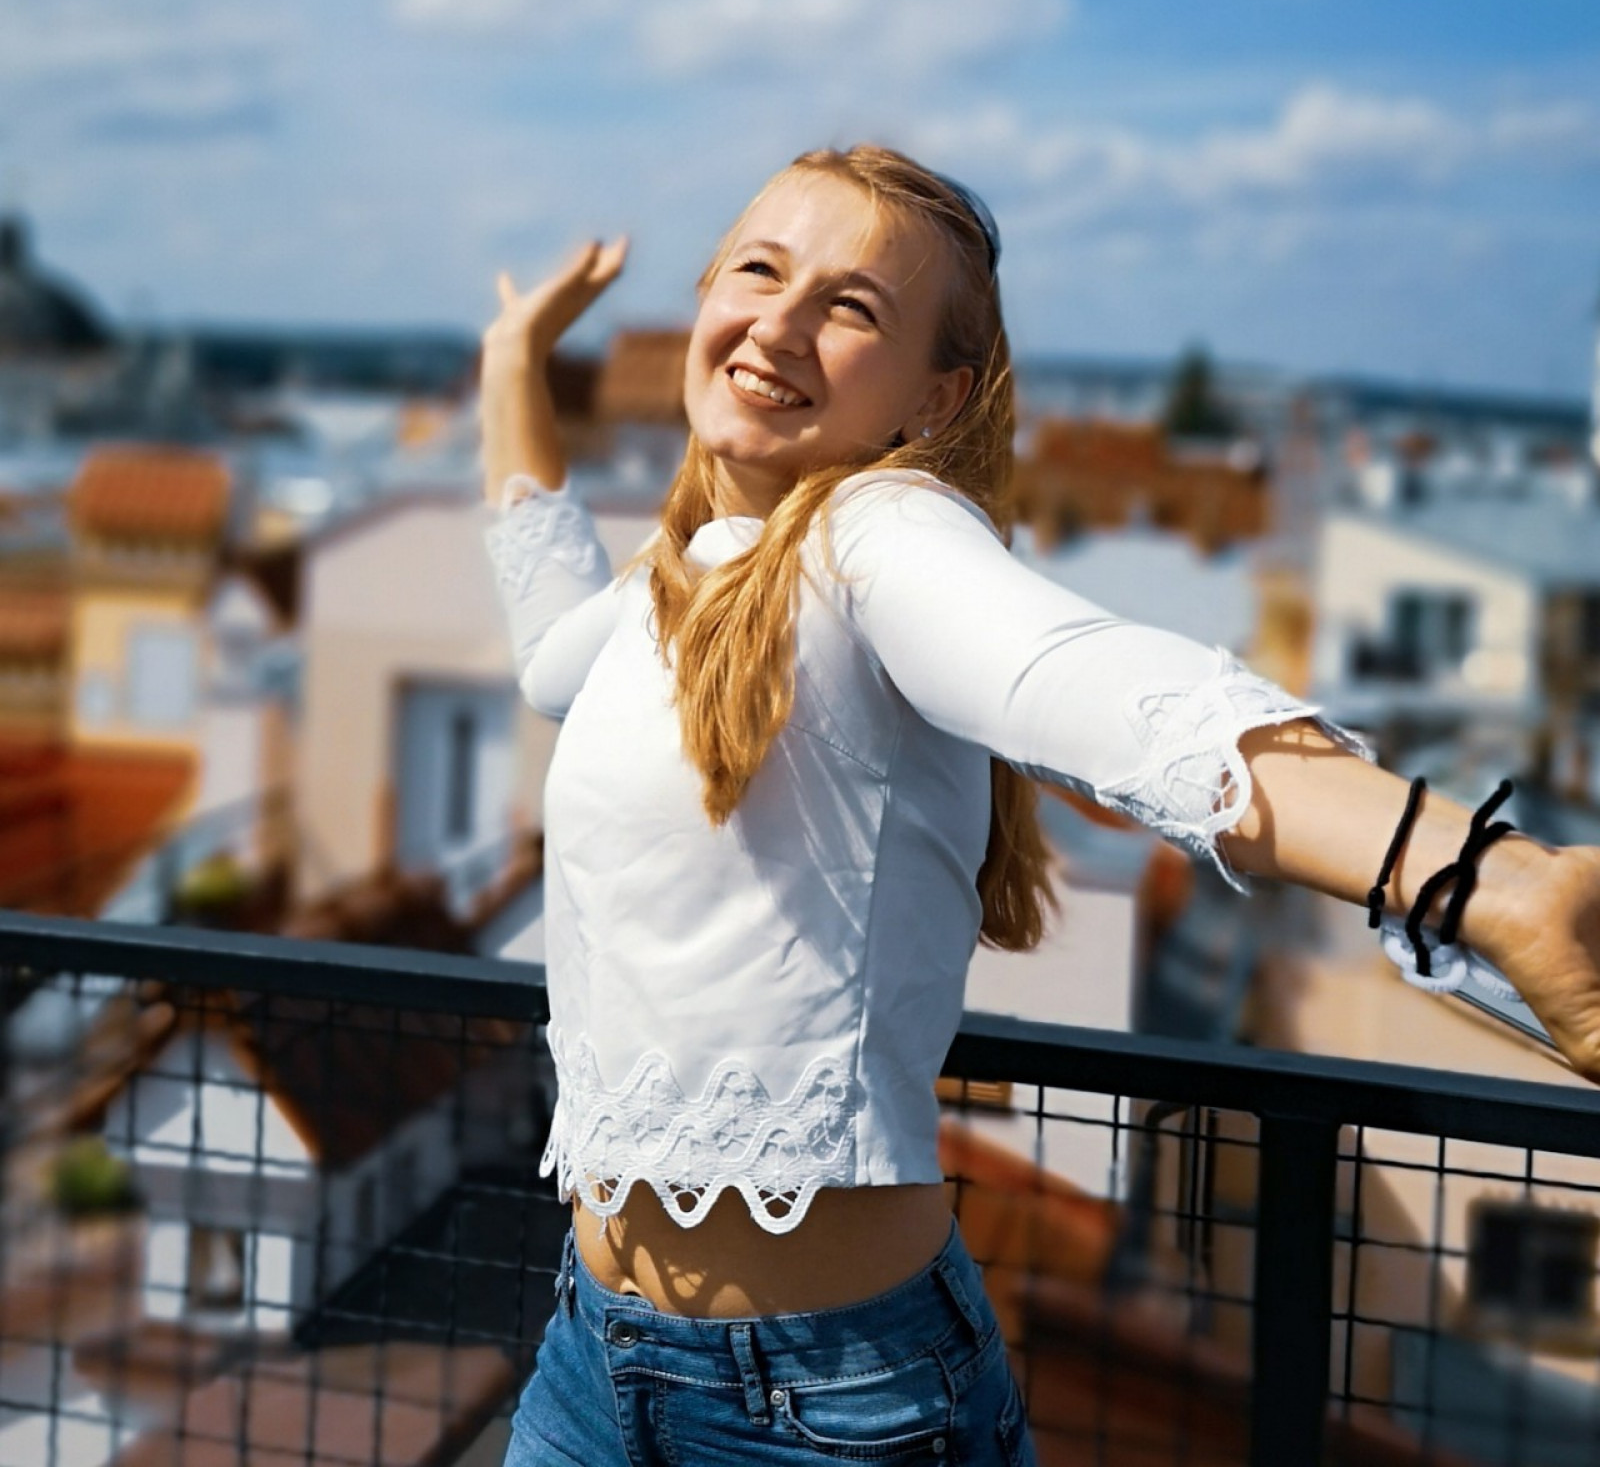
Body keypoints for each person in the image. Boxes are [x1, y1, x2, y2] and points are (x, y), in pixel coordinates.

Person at [480, 145, 1600, 1465]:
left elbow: (1082, 684)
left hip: (831, 1411)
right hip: (589, 1357)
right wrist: (514, 360)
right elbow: (547, 641)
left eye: (851, 307)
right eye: (759, 272)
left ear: (934, 398)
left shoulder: (875, 534)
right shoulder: (664, 586)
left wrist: (1486, 881)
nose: (779, 324)